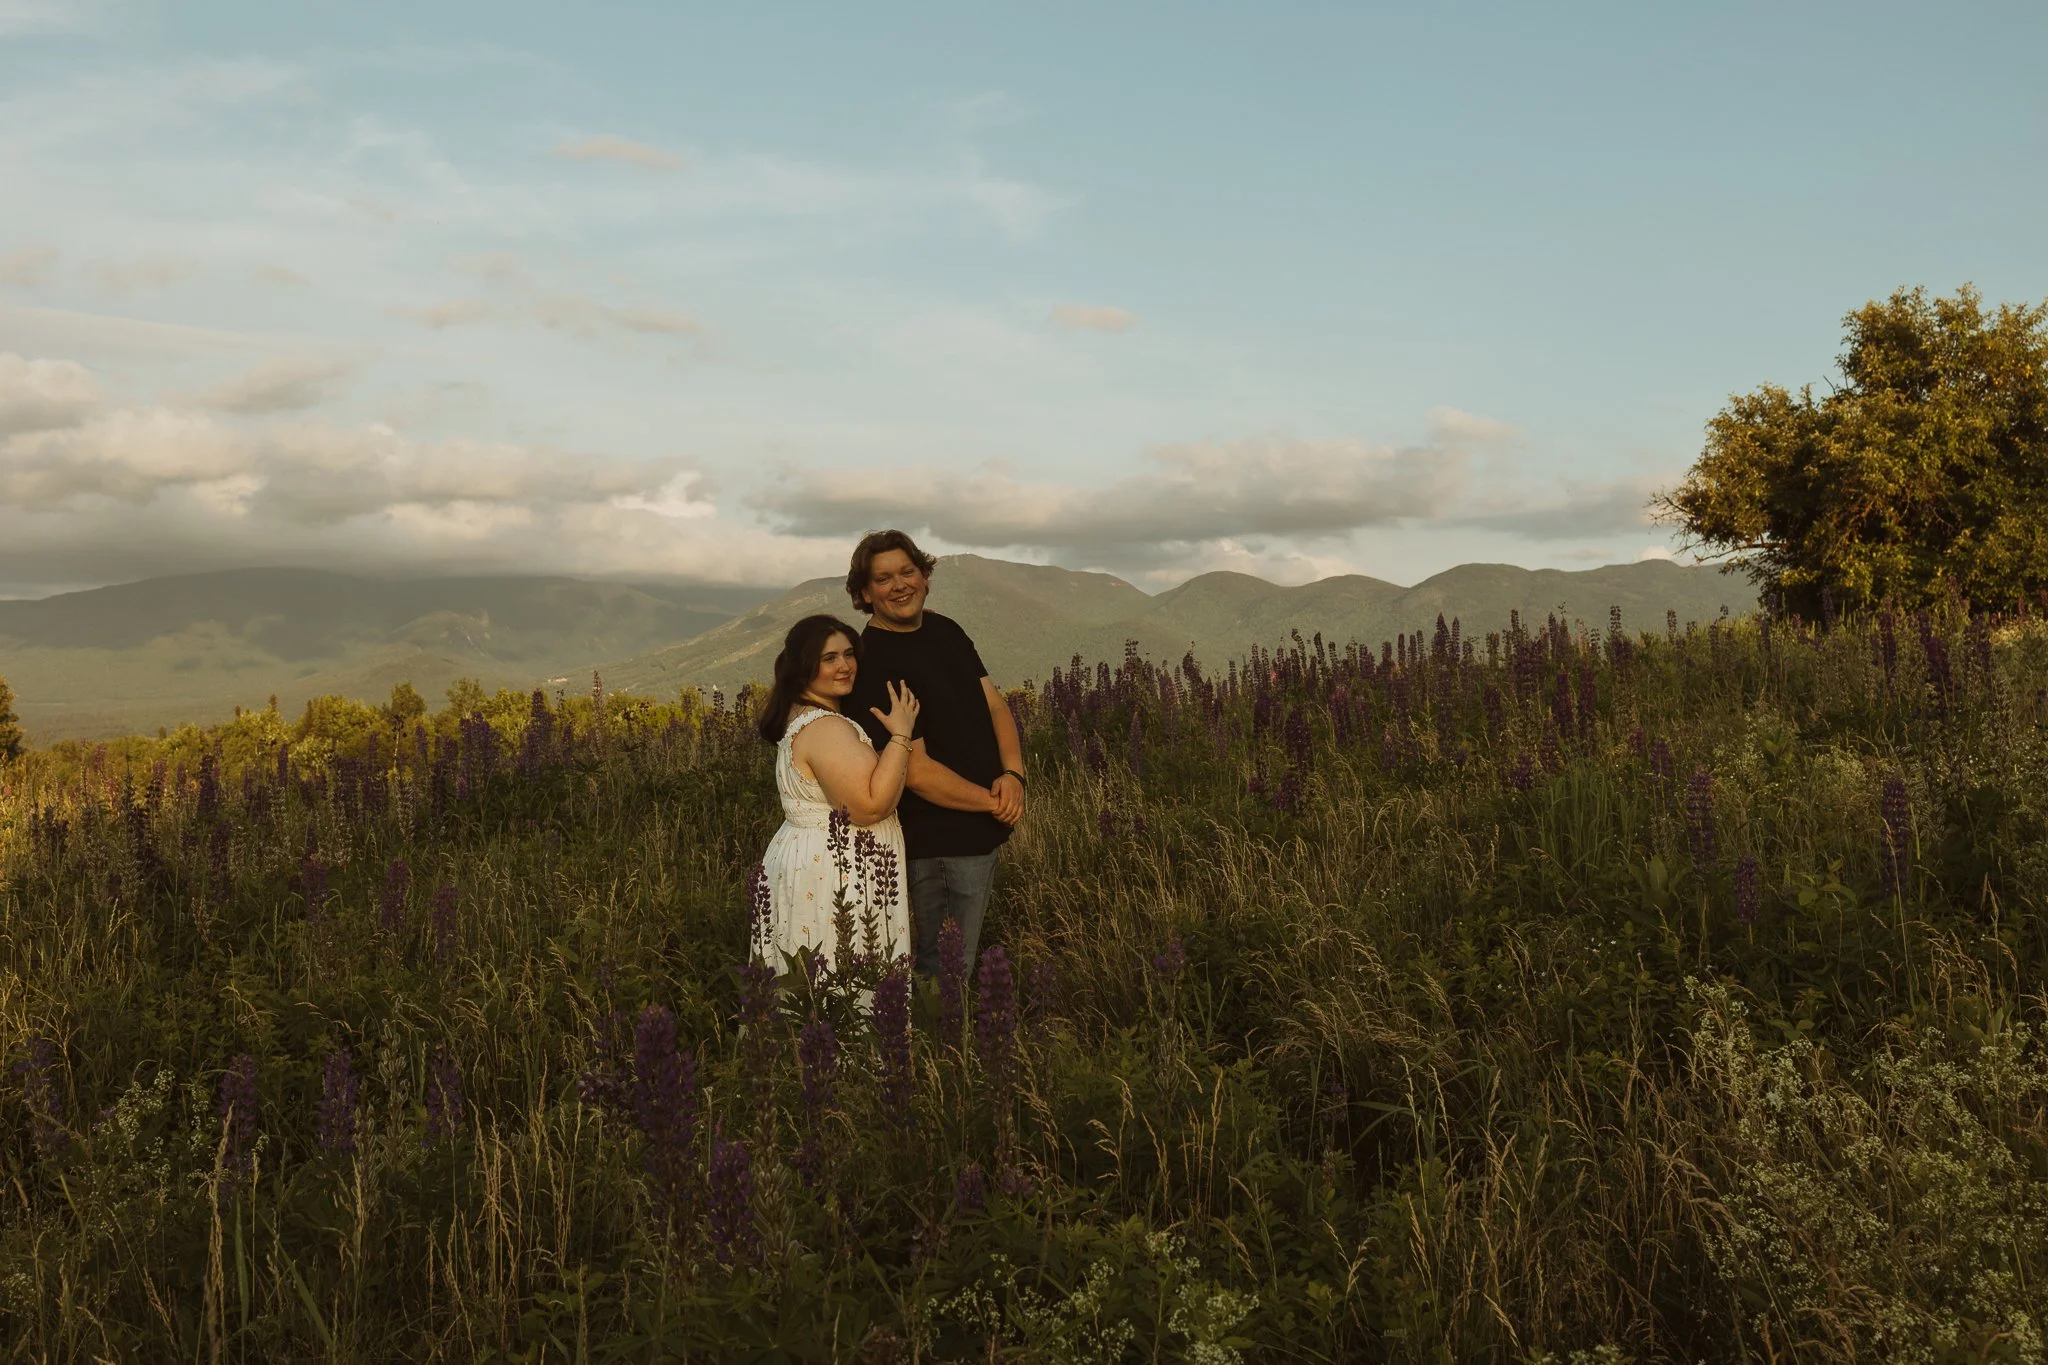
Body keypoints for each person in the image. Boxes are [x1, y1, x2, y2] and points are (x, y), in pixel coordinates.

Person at [842, 530, 1025, 976]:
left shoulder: (946, 630)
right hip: (937, 841)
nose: (899, 585)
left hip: (981, 825)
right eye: (883, 579)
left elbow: (995, 705)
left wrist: (1014, 774)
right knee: (943, 970)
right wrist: (994, 802)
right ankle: (936, 1047)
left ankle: (942, 1043)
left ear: (925, 576)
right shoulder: (874, 663)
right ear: (865, 593)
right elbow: (916, 771)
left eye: (908, 571)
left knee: (955, 963)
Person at [754, 613, 919, 970]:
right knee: (839, 976)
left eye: (848, 654)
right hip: (834, 874)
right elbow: (870, 806)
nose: (844, 666)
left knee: (813, 983)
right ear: (803, 667)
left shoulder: (806, 718)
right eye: (829, 658)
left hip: (816, 863)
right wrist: (902, 734)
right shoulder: (826, 727)